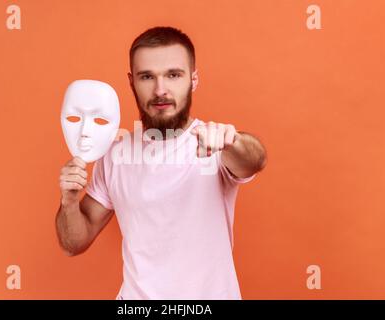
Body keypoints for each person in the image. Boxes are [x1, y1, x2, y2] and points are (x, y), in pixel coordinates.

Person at [55, 26, 267, 300]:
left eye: (173, 75)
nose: (160, 90)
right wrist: (69, 202)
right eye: (147, 77)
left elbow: (255, 159)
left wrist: (232, 141)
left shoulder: (216, 143)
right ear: (132, 82)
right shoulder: (115, 153)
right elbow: (74, 243)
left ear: (193, 79)